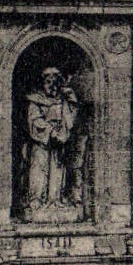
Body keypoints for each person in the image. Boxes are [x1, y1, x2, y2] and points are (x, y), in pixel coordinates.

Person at [22, 66, 80, 216]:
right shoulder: (35, 100)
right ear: (43, 83)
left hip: (59, 140)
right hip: (42, 141)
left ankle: (55, 200)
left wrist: (62, 132)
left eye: (55, 81)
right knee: (39, 169)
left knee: (58, 169)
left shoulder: (62, 100)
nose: (51, 85)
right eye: (48, 81)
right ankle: (36, 200)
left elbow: (70, 116)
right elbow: (35, 120)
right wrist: (51, 132)